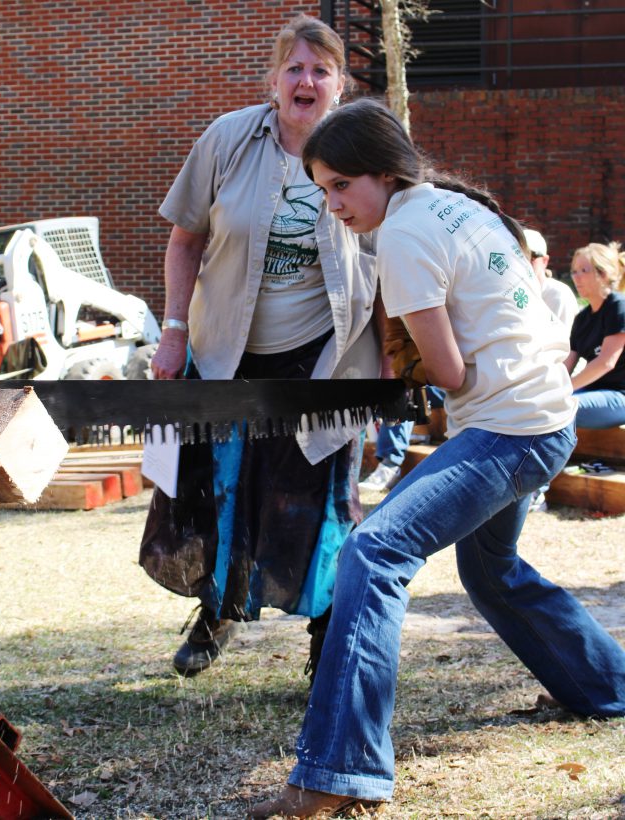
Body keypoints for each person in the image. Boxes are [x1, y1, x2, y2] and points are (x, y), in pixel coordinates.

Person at [250, 98, 625, 819]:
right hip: (541, 417)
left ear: (383, 174)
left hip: (511, 428)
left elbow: (449, 374)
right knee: (493, 570)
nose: (332, 207)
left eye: (339, 187)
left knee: (373, 551)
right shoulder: (456, 207)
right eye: (322, 191)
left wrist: (409, 368)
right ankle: (605, 685)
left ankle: (339, 771)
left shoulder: (405, 234)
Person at [141, 16, 385, 678]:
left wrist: (392, 365)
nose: (307, 80)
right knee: (220, 488)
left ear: (341, 83)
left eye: (321, 69)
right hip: (228, 350)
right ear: (274, 79)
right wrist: (171, 331)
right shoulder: (228, 139)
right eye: (295, 68)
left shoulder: (366, 149)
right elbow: (185, 239)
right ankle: (218, 609)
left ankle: (328, 629)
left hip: (327, 357)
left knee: (322, 495)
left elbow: (396, 256)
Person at [523, 228, 578, 511]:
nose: (522, 261)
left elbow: (564, 351)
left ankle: (537, 490)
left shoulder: (559, 294)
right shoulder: (512, 289)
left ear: (545, 261)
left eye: (529, 256)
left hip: (553, 378)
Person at [565, 242, 625, 430]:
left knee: (560, 407)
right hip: (595, 391)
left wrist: (562, 390)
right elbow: (565, 366)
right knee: (540, 404)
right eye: (574, 271)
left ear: (604, 274)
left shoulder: (618, 306)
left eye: (584, 270)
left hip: (620, 395)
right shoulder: (582, 319)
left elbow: (606, 362)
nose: (576, 277)